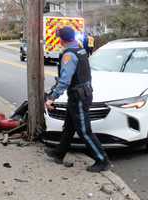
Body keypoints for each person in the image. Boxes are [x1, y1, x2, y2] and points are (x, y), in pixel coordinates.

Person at [44, 26, 110, 173]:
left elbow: (64, 80)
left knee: (84, 131)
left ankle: (102, 160)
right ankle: (59, 153)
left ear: (61, 40)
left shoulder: (69, 55)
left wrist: (51, 98)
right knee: (69, 126)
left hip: (78, 97)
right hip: (83, 93)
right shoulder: (80, 50)